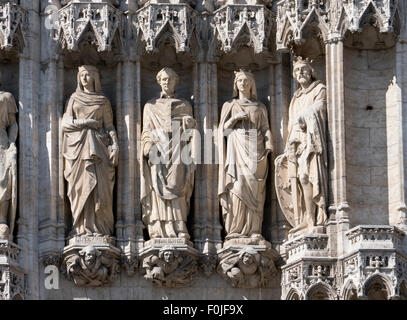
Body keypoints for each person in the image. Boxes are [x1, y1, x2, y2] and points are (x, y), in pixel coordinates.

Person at [62, 65, 119, 237]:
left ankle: (100, 228)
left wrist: (115, 144)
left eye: (88, 75)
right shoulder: (73, 99)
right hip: (78, 149)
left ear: (95, 77)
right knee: (80, 186)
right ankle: (80, 227)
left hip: (100, 149)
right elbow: (65, 124)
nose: (85, 78)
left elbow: (109, 126)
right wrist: (86, 123)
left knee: (100, 190)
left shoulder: (103, 101)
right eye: (82, 75)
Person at [141, 67, 197, 240]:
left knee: (179, 185)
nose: (166, 82)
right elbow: (146, 131)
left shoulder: (184, 105)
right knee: (157, 188)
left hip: (178, 149)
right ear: (159, 82)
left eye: (169, 79)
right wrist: (148, 145)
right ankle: (158, 226)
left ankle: (179, 225)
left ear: (175, 81)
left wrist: (189, 124)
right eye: (163, 79)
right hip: (158, 149)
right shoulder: (150, 106)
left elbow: (191, 133)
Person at [275, 56, 328, 237]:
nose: (301, 73)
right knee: (297, 180)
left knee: (307, 176)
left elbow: (320, 107)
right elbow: (291, 124)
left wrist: (305, 115)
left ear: (311, 72)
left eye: (304, 69)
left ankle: (313, 218)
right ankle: (305, 217)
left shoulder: (320, 89)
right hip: (297, 143)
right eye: (297, 70)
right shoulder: (295, 97)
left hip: (312, 142)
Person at [218, 70, 272, 241]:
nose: (243, 83)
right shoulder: (230, 106)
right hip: (236, 151)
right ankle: (236, 228)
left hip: (256, 151)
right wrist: (233, 120)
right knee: (237, 186)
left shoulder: (260, 107)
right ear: (236, 84)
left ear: (252, 84)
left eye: (247, 80)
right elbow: (221, 132)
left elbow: (265, 129)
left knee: (256, 191)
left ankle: (255, 229)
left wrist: (269, 144)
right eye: (240, 80)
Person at [0, 72, 18, 241]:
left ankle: (2, 220)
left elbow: (13, 124)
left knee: (4, 180)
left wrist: (12, 144)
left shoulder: (6, 97)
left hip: (1, 141)